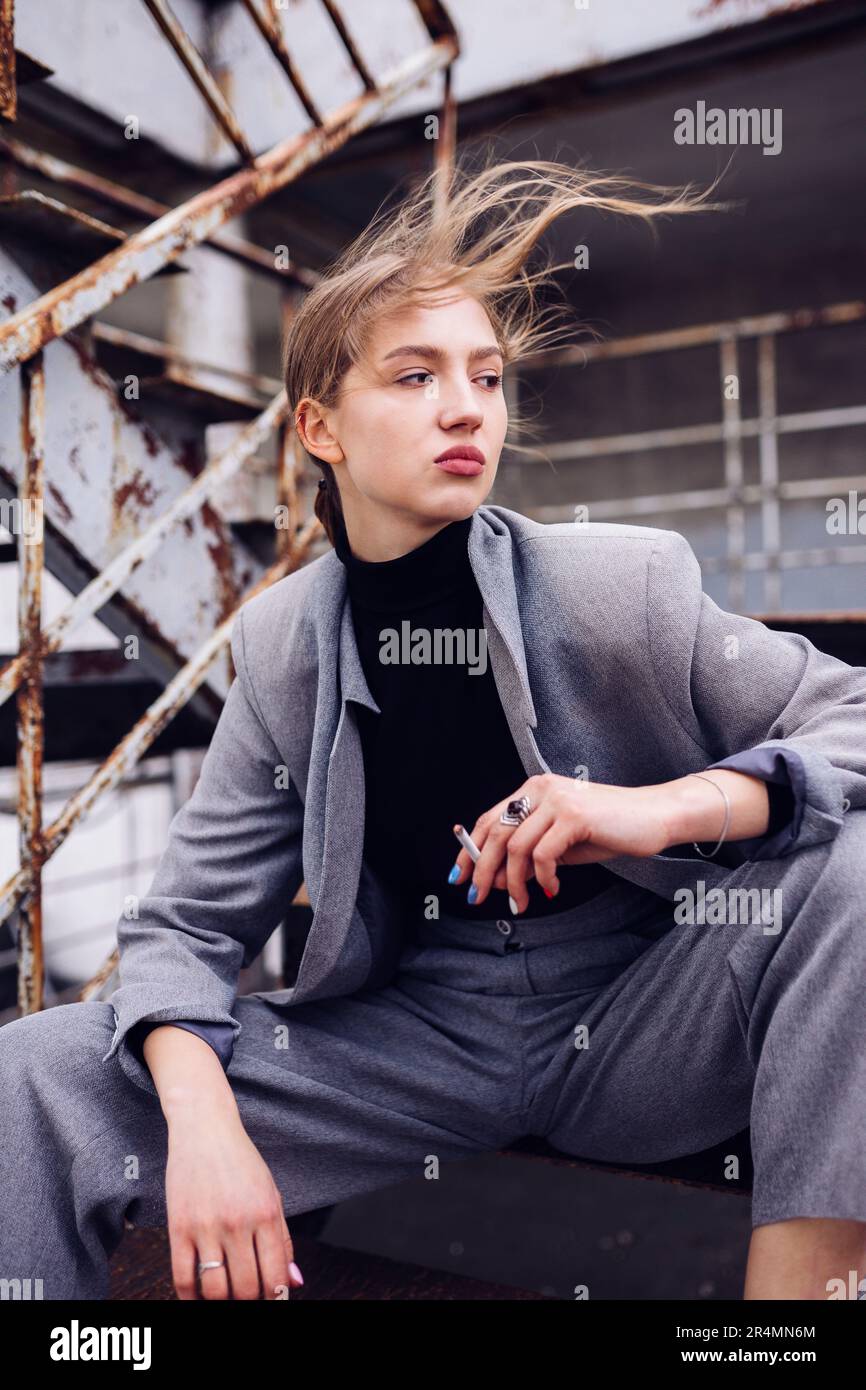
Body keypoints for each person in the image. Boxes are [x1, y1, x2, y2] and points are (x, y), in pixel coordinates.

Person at [2, 156, 865, 1302]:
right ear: (320, 428)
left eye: (486, 377)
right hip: (409, 1043)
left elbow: (848, 717)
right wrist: (203, 1118)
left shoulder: (621, 586)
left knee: (854, 869)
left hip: (642, 1022)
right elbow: (184, 927)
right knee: (34, 1071)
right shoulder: (281, 647)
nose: (465, 408)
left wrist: (659, 808)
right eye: (412, 378)